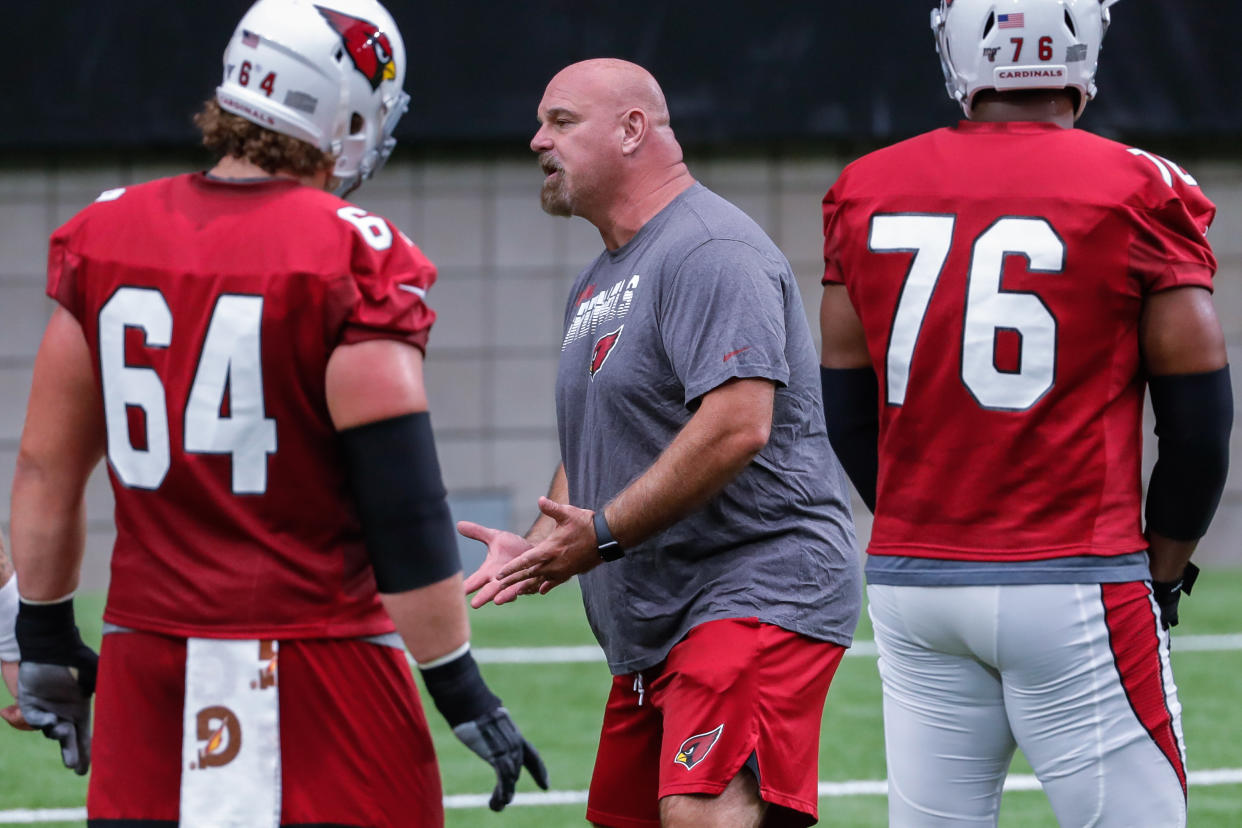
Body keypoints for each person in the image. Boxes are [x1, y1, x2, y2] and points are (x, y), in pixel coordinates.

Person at [9, 1, 545, 824]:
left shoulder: (107, 234)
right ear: (348, 110)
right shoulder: (353, 254)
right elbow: (403, 508)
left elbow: (47, 467)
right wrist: (456, 680)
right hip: (316, 661)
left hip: (148, 662)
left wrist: (42, 634)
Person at [819, 1, 1231, 825]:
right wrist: (1165, 567)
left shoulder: (865, 188)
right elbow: (1199, 425)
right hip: (1075, 577)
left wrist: (918, 517)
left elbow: (847, 408)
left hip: (915, 583)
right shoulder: (1142, 188)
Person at [460, 58, 862, 828]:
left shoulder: (710, 249)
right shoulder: (599, 282)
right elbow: (601, 438)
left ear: (632, 129)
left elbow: (738, 424)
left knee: (698, 811)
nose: (536, 139)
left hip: (756, 587)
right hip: (655, 619)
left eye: (561, 121)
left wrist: (601, 535)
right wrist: (548, 536)